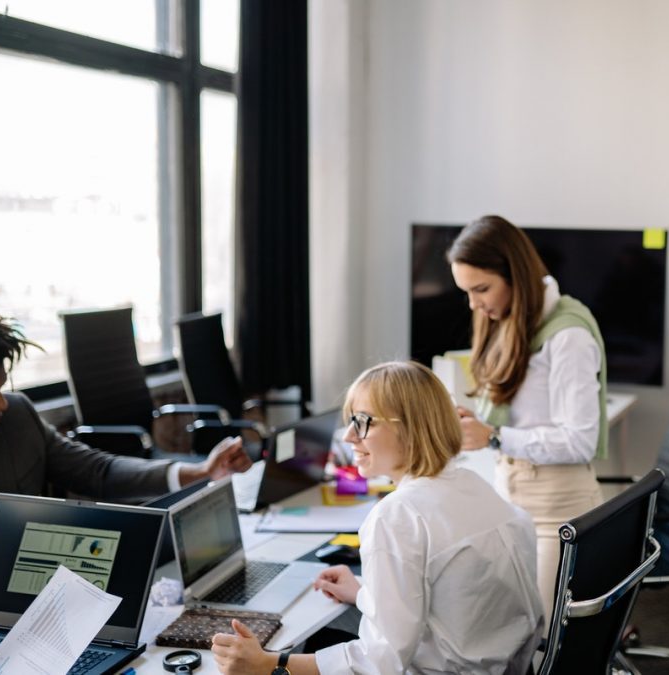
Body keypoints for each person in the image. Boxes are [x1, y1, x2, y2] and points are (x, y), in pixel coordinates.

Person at [211, 361, 544, 675]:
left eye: (363, 422)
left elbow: (379, 662)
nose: (348, 437)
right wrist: (362, 593)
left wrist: (270, 663)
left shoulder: (398, 516)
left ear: (411, 428)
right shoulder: (476, 486)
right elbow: (452, 602)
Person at [446, 214, 607, 621]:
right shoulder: (510, 321)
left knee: (542, 637)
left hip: (556, 508)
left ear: (515, 275)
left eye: (482, 289)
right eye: (466, 292)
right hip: (513, 495)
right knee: (507, 628)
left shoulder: (567, 335)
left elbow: (579, 441)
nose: (474, 304)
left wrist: (495, 435)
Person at [0, 309, 252, 507]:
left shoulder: (17, 416)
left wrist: (202, 472)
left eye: (0, 389)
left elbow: (100, 472)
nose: (1, 403)